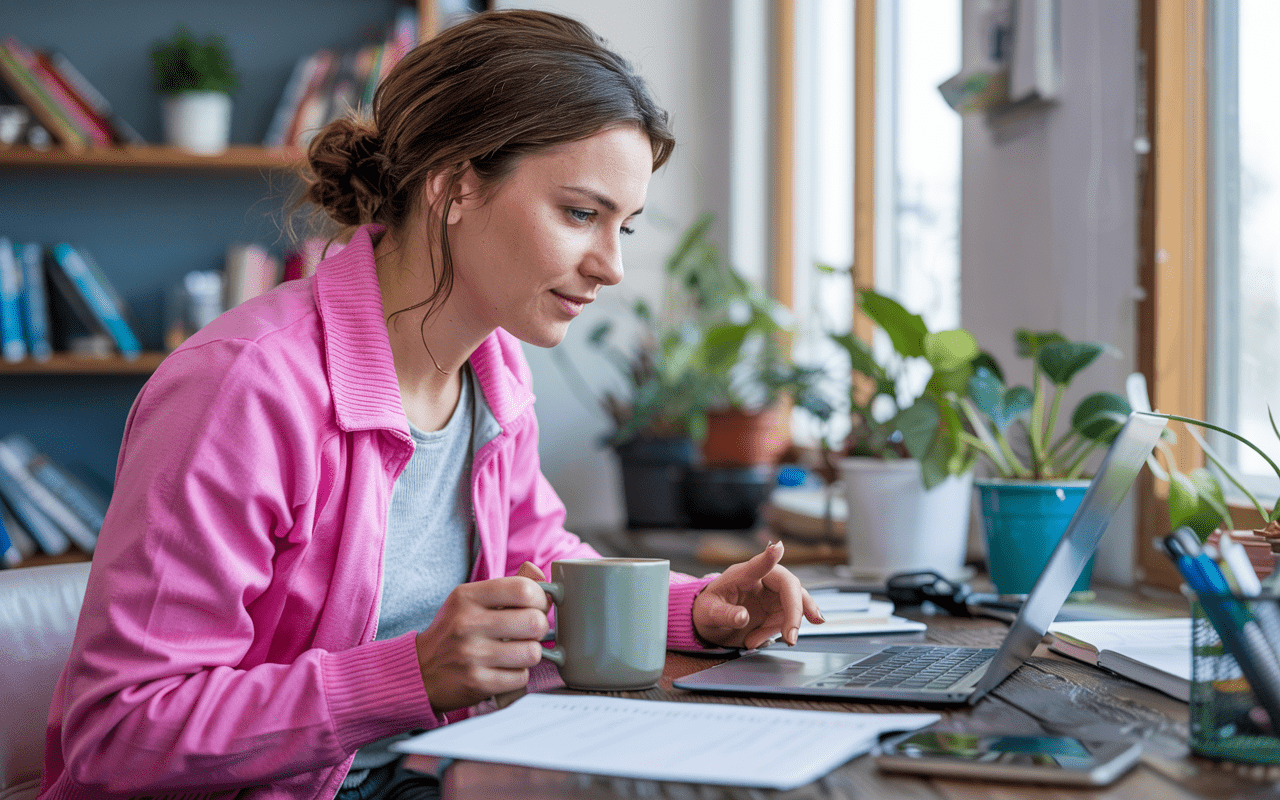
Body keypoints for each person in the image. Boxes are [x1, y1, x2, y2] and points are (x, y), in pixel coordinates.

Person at [38, 9, 823, 800]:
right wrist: (405, 676)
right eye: (581, 213)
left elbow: (540, 566)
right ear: (456, 185)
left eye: (624, 225)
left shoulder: (492, 368)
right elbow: (120, 734)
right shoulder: (242, 389)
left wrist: (695, 610)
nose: (612, 266)